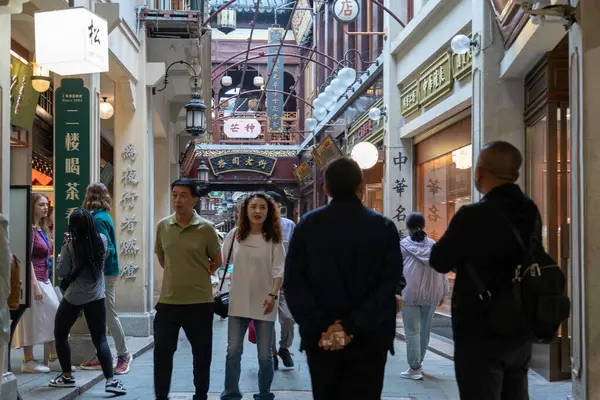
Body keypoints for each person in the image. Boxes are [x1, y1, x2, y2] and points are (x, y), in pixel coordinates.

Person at [284, 157, 405, 400]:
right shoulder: (383, 226)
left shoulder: (308, 225)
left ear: (326, 188)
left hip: (322, 338)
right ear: (361, 186)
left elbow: (294, 283)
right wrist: (351, 325)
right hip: (369, 336)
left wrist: (324, 326)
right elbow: (388, 284)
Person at [430, 141, 539, 400]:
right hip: (521, 321)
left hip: (480, 327)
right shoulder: (531, 211)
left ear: (479, 172)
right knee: (516, 392)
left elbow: (439, 260)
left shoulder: (472, 215)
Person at [154, 178, 222, 400]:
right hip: (168, 303)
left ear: (194, 199)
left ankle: (200, 395)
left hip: (200, 303)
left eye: (183, 195)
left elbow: (217, 260)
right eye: (174, 194)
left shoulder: (206, 228)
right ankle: (161, 396)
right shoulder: (163, 226)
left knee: (201, 355)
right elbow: (163, 259)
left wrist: (195, 273)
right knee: (162, 355)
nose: (177, 200)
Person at [48, 209, 126, 395]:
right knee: (100, 338)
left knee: (60, 333)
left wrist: (62, 252)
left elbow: (62, 271)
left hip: (74, 297)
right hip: (97, 296)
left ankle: (67, 376)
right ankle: (110, 381)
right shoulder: (102, 240)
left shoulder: (70, 246)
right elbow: (104, 257)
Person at [220, 192, 285, 400]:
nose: (257, 211)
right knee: (233, 351)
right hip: (238, 300)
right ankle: (231, 392)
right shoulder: (235, 235)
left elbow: (278, 270)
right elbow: (222, 261)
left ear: (269, 212)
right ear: (245, 210)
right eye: (253, 207)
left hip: (265, 301)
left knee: (265, 356)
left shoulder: (274, 239)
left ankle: (265, 393)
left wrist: (272, 294)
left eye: (263, 207)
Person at [81, 183, 132, 374]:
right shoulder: (101, 217)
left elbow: (107, 248)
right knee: (101, 314)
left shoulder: (98, 219)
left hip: (104, 272)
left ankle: (123, 354)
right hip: (103, 271)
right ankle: (102, 354)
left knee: (109, 314)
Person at [13, 193, 61, 373]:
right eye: (41, 204)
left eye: (46, 204)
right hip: (34, 279)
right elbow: (26, 258)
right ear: (32, 205)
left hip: (44, 278)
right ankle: (29, 360)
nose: (45, 207)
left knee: (52, 315)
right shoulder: (28, 229)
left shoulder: (39, 228)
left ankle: (53, 357)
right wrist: (33, 284)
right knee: (33, 318)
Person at [399, 212, 448, 381]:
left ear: (408, 226)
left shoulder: (403, 246)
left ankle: (414, 368)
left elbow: (396, 270)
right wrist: (444, 291)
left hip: (409, 294)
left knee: (412, 331)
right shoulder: (433, 245)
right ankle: (417, 364)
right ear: (424, 225)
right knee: (425, 331)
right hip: (432, 293)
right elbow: (441, 269)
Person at [265, 191, 296, 369]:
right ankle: (272, 354)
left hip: (285, 282)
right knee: (267, 321)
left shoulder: (289, 225)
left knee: (288, 318)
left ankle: (284, 347)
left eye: (272, 204)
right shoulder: (258, 227)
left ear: (279, 206)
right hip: (265, 281)